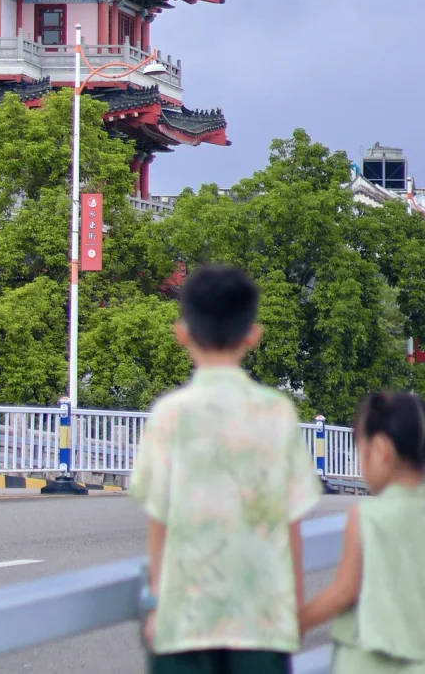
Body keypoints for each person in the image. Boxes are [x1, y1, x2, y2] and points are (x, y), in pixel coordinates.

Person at [130, 263, 321, 674]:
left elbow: (159, 520)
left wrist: (155, 603)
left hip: (186, 621)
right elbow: (291, 522)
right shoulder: (277, 413)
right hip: (262, 621)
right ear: (253, 334)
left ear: (182, 333)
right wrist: (296, 610)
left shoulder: (168, 415)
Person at [300, 391, 425, 674]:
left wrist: (299, 621)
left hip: (366, 663)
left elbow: (343, 593)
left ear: (381, 451)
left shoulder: (366, 516)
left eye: (362, 452)